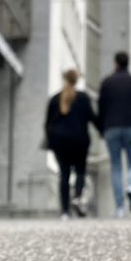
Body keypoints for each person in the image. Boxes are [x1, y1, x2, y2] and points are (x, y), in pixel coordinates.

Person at [97, 51, 131, 217]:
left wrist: (102, 127)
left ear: (116, 63)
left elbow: (101, 107)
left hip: (112, 127)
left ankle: (120, 208)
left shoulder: (107, 83)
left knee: (116, 166)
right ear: (128, 63)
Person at [44, 69, 97, 220]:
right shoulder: (83, 98)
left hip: (60, 142)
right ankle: (78, 198)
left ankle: (65, 211)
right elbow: (92, 118)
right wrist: (103, 130)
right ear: (77, 80)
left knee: (64, 174)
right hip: (80, 141)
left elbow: (47, 123)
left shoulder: (55, 99)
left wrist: (52, 141)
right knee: (80, 171)